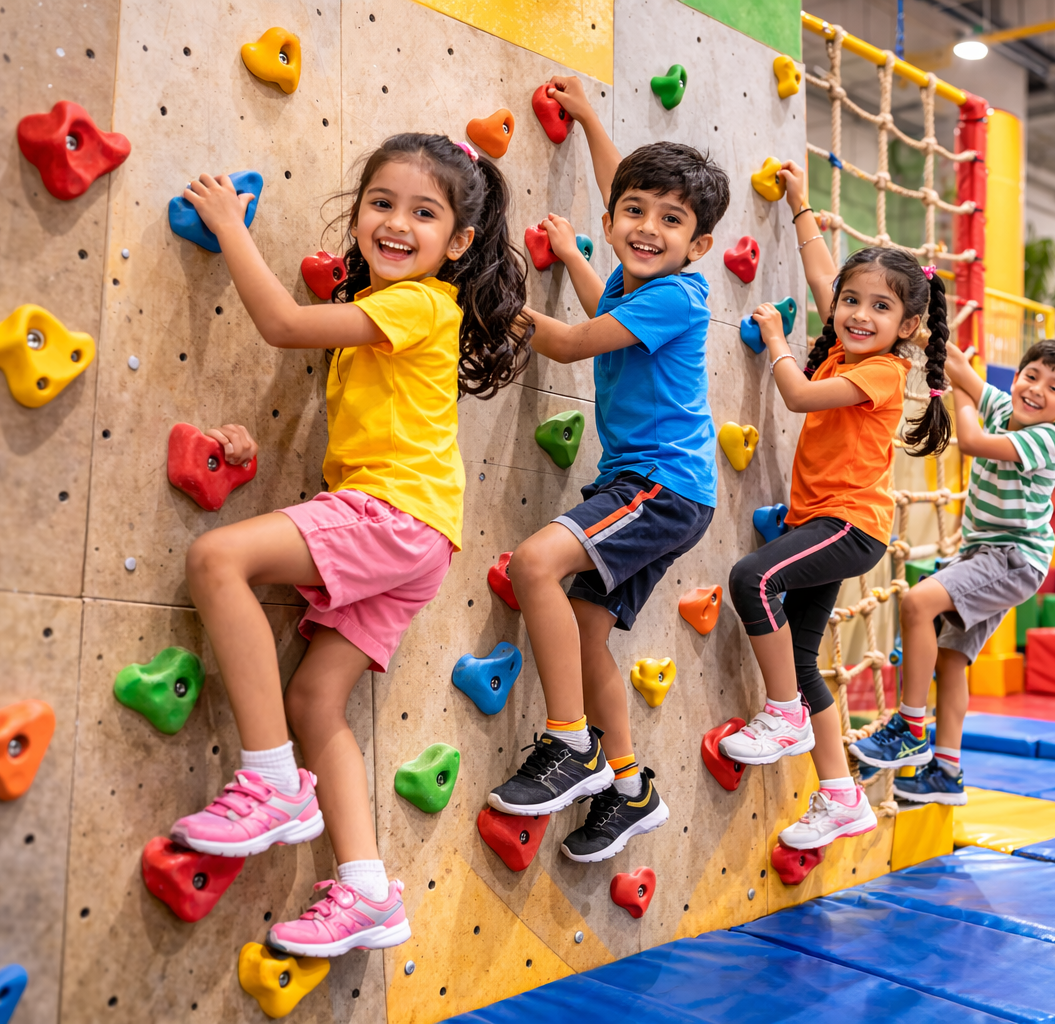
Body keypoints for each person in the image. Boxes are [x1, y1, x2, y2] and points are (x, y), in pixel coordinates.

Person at [169, 133, 531, 956]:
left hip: (393, 515)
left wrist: (228, 225)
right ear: (360, 209)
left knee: (218, 559)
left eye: (424, 213)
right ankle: (367, 890)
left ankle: (271, 781)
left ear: (459, 243)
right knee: (313, 702)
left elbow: (282, 323)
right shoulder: (384, 307)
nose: (397, 223)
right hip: (418, 536)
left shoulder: (419, 303)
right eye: (382, 203)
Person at [485, 77, 731, 864]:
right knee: (587, 634)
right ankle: (629, 788)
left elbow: (567, 342)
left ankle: (570, 743)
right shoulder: (639, 278)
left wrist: (486, 295)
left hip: (659, 487)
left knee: (534, 564)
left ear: (699, 245)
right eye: (634, 212)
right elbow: (607, 285)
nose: (646, 228)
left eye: (671, 221)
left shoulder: (679, 294)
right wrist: (591, 118)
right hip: (658, 489)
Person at [718, 160, 952, 849]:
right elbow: (824, 273)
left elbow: (796, 395)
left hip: (850, 525)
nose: (857, 314)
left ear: (909, 326)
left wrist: (776, 341)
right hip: (822, 522)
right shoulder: (849, 348)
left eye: (880, 308)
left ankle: (783, 714)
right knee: (804, 657)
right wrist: (800, 206)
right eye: (852, 301)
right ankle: (842, 795)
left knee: (752, 578)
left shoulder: (882, 371)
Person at [854, 337, 1055, 804]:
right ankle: (946, 772)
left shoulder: (1050, 438)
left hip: (1013, 558)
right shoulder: (1004, 405)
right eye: (1032, 376)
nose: (1036, 390)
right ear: (1018, 375)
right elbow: (961, 368)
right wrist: (925, 335)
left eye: (1054, 388)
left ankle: (909, 728)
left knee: (918, 603)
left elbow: (970, 440)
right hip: (982, 554)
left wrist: (962, 394)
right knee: (950, 658)